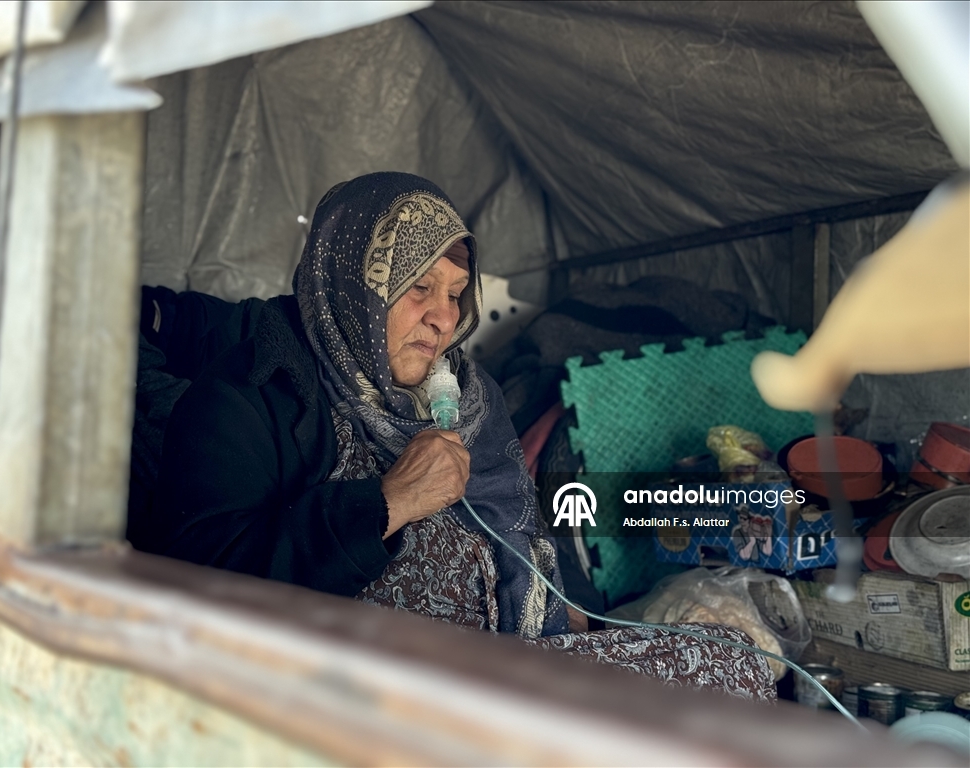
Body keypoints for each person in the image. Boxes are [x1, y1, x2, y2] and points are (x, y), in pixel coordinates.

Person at [138, 172, 775, 701]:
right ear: (356, 286)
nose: (444, 318)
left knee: (731, 668)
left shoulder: (472, 401)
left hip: (507, 669)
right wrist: (387, 503)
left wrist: (576, 616)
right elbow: (203, 593)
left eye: (454, 294)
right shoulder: (249, 395)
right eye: (419, 289)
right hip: (373, 695)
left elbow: (522, 546)